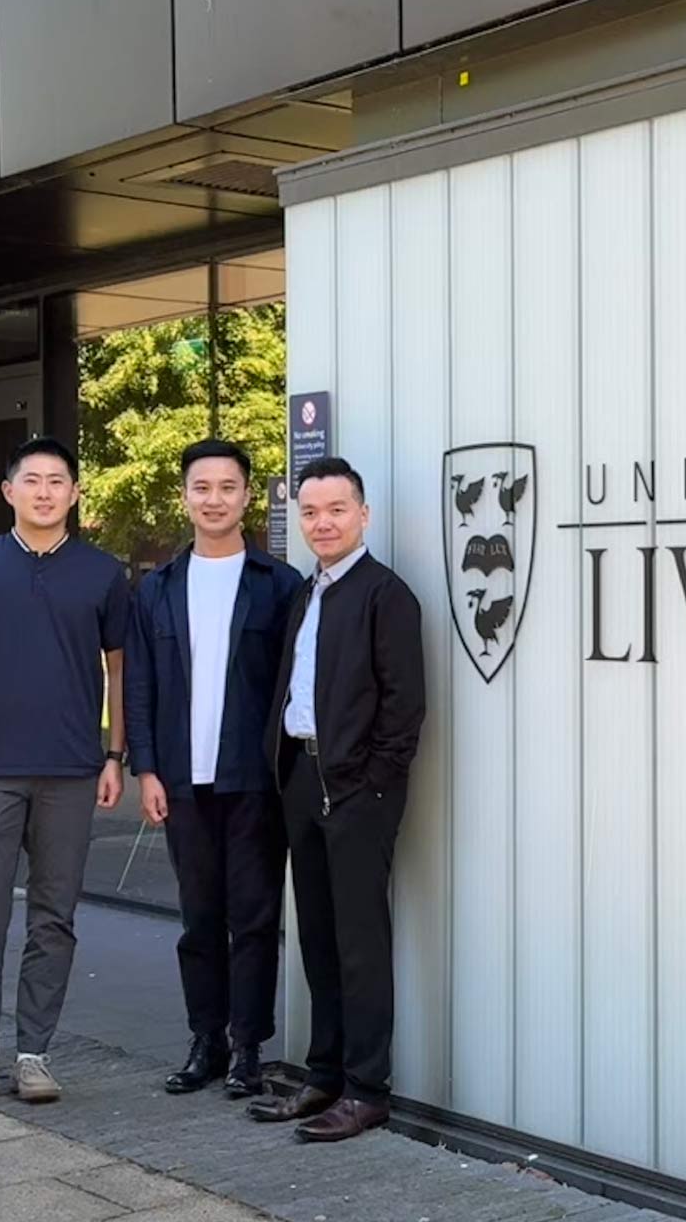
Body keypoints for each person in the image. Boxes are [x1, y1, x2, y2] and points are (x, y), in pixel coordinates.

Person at [0, 437, 131, 1112]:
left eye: (58, 481)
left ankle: (34, 1053)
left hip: (72, 769)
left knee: (55, 917)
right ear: (9, 491)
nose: (45, 491)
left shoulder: (102, 573)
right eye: (32, 480)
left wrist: (115, 752)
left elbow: (117, 667)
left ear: (75, 494)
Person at [247, 457, 425, 1143]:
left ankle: (367, 1088)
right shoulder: (306, 592)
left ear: (363, 515)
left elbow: (405, 708)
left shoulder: (386, 595)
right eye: (311, 512)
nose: (323, 523)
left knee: (359, 943)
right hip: (301, 781)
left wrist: (372, 783)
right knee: (318, 939)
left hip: (357, 792)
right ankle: (323, 1076)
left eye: (337, 510)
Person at [125, 439, 303, 1099]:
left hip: (255, 780)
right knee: (199, 917)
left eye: (228, 487)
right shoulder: (159, 588)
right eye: (202, 488)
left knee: (253, 917)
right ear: (185, 497)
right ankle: (207, 1039)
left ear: (247, 496)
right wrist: (146, 769)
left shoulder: (279, 586)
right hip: (181, 779)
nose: (215, 499)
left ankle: (249, 1048)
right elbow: (138, 685)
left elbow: (292, 686)